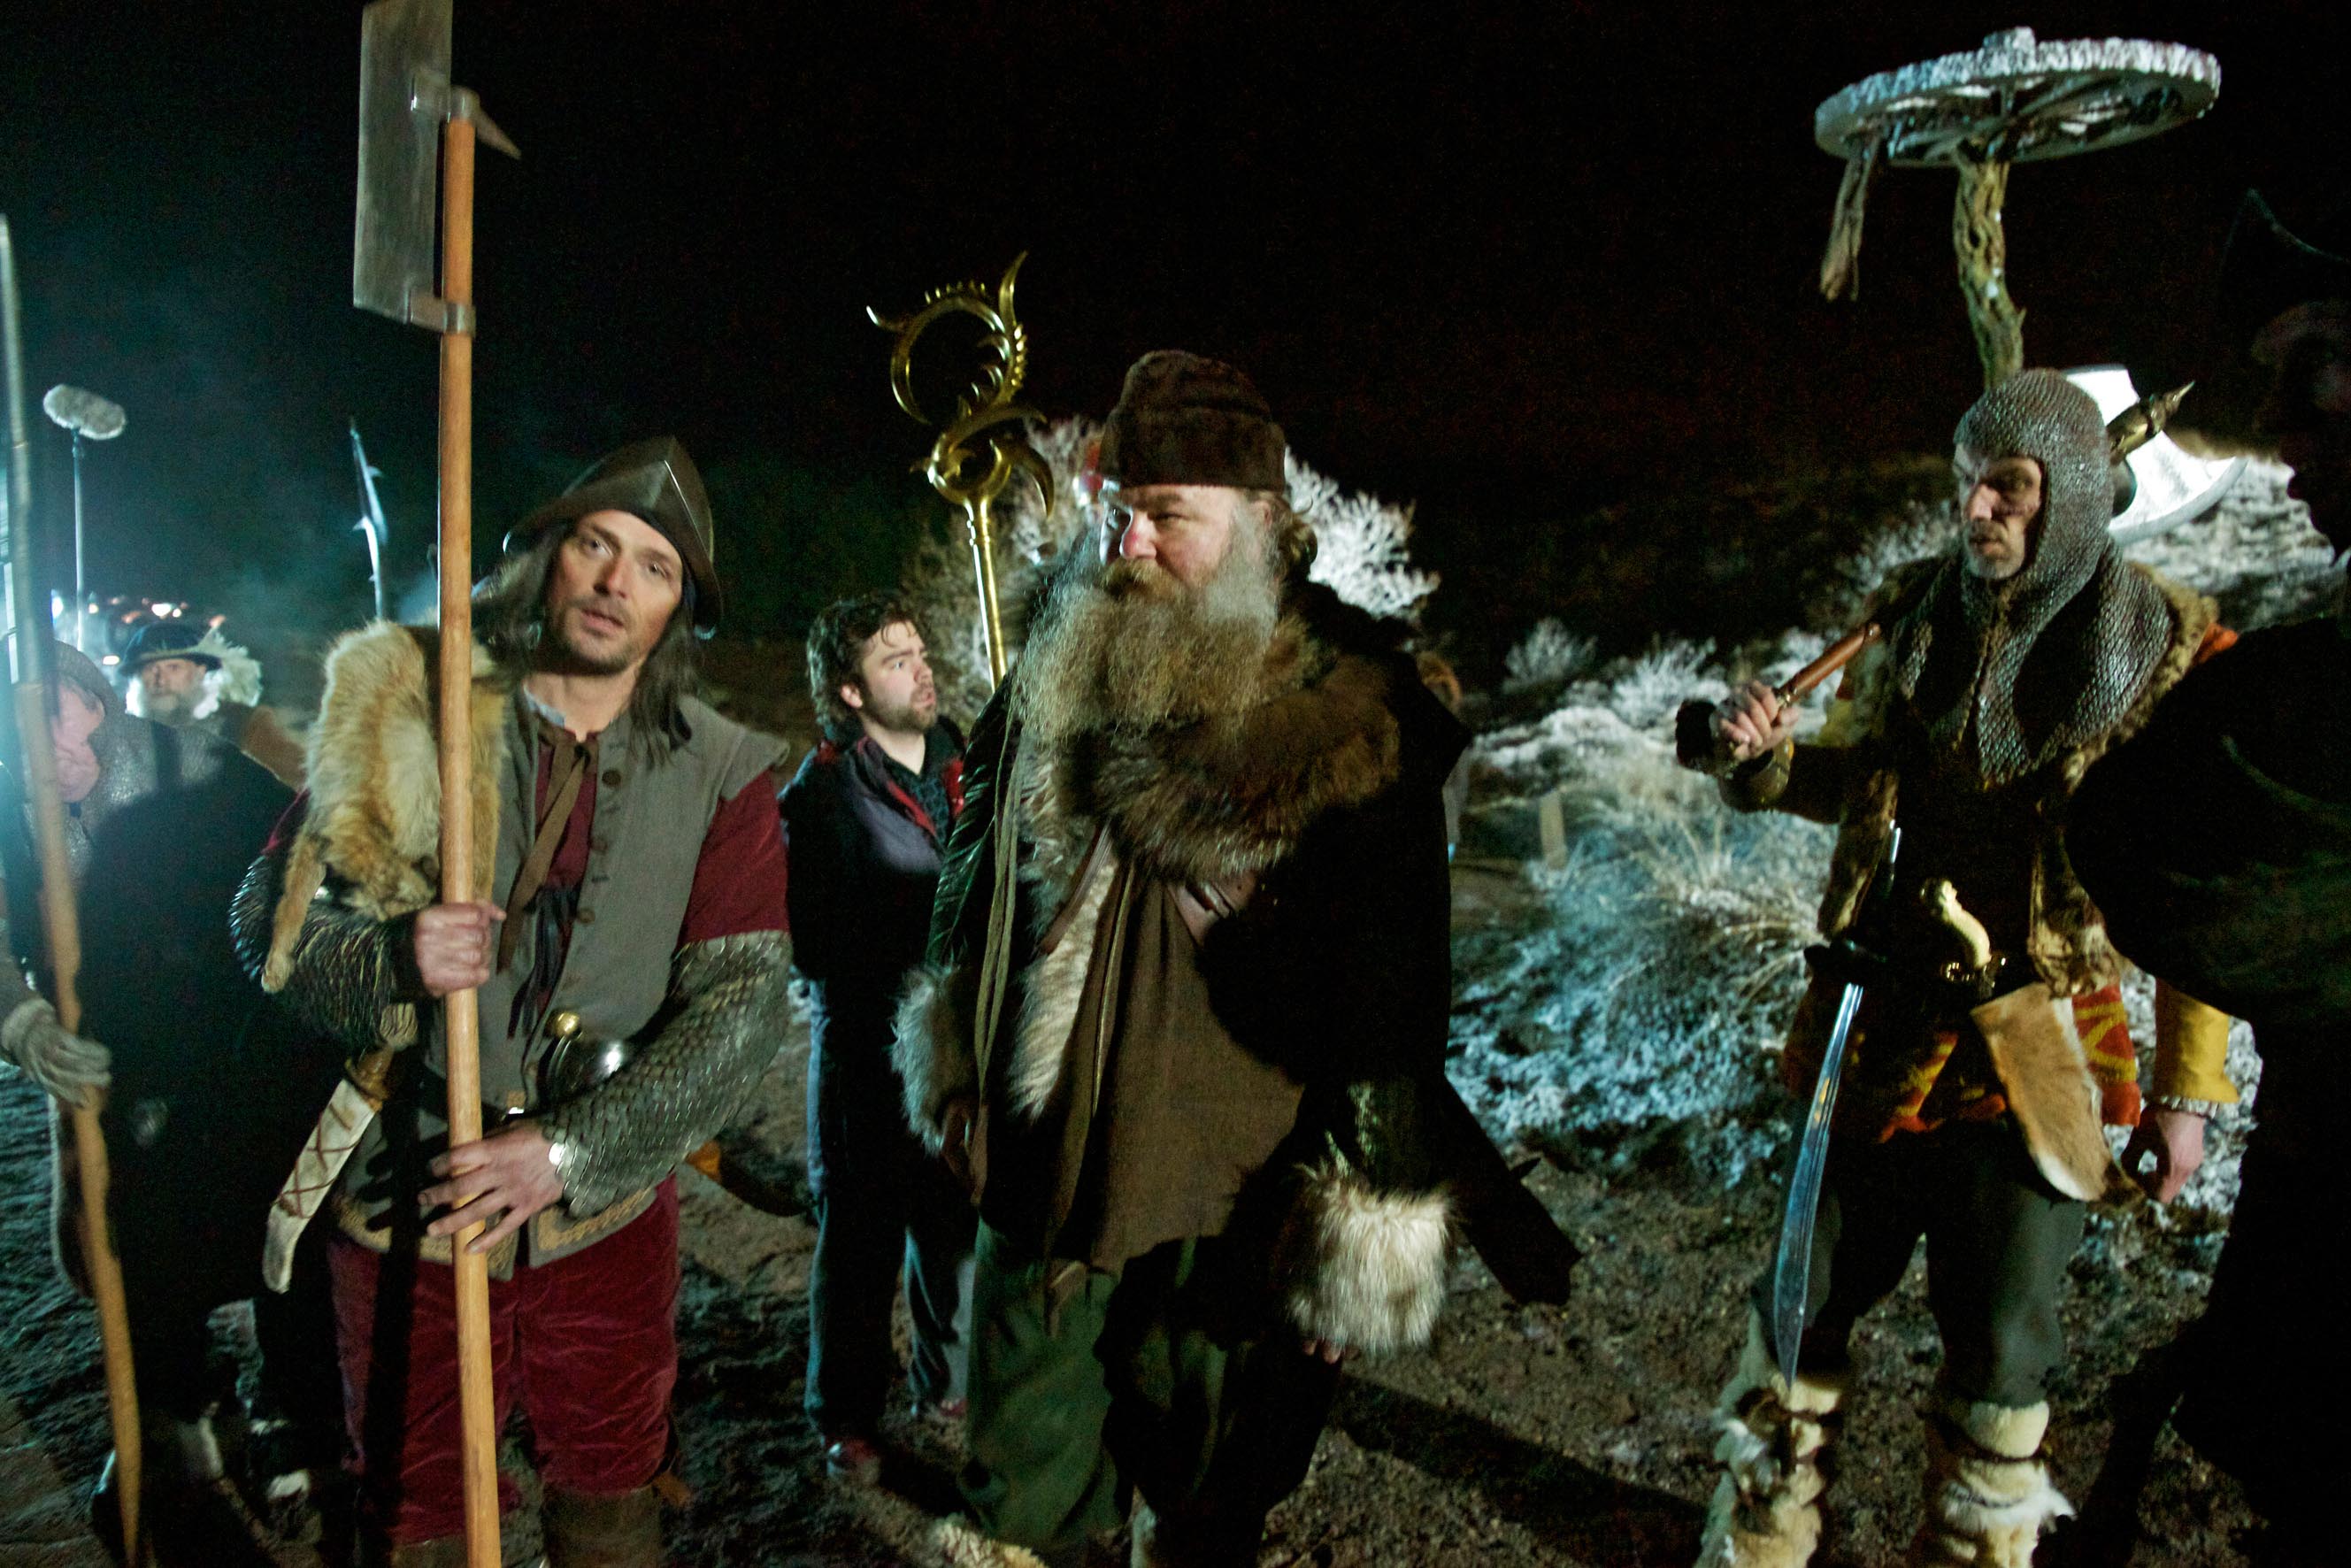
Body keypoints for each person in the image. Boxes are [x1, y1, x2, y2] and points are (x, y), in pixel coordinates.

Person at [898, 352, 1574, 1567]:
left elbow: (1392, 991)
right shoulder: (1058, 646)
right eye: (1117, 509)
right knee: (1023, 1509)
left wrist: (1358, 1217)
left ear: (1263, 521)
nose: (1129, 542)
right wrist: (955, 1040)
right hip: (1040, 1173)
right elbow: (976, 859)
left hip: (1228, 1199)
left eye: (1167, 515)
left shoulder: (1354, 706)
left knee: (1205, 1507)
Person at [1684, 368, 2236, 1568]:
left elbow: (2196, 887)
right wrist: (1764, 762)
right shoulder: (1913, 617)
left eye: (2008, 488)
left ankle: (1974, 1552)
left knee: (2000, 1342)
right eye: (1964, 483)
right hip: (1879, 1012)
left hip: (2041, 1041)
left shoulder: (2163, 654)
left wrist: (2189, 1088)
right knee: (1799, 1298)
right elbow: (1857, 786)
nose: (1974, 509)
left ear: (2074, 496)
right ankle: (1759, 1539)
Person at [232, 438, 791, 1567]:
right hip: (411, 1193)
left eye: (653, 567)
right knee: (418, 1500)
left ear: (677, 611)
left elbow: (741, 1004)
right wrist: (393, 956)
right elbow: (269, 929)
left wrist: (572, 1151)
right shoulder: (414, 712)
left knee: (613, 1475)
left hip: (605, 1214)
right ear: (547, 559)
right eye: (595, 545)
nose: (615, 582)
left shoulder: (722, 769)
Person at [2069, 191, 2351, 1564]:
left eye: (2317, 371)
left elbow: (2200, 878)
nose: (2282, 426)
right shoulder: (1940, 644)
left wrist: (2183, 1090)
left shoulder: (2212, 660)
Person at [0, 642, 339, 1562]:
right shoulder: (10, 810)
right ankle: (173, 1421)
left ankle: (295, 1408)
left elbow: (299, 869)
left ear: (94, 703)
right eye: (17, 726)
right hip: (111, 1067)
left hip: (235, 1050)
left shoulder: (195, 771)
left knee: (281, 1236)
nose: (41, 743)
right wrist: (23, 1021)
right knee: (135, 1245)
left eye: (55, 714)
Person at [784, 594, 976, 1481]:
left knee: (953, 1218)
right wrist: (908, 928)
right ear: (850, 691)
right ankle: (845, 1413)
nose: (921, 670)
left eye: (920, 652)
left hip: (956, 1040)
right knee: (860, 1237)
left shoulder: (964, 761)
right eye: (895, 660)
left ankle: (948, 1382)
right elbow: (814, 946)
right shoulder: (821, 796)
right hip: (867, 1050)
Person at [119, 619, 307, 787]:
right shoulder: (124, 733)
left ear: (200, 671)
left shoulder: (243, 724)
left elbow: (296, 787)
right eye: (150, 669)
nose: (161, 680)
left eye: (173, 668)